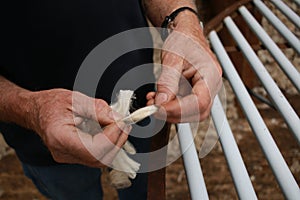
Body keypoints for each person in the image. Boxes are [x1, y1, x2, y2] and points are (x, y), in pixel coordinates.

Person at [0, 0, 222, 199]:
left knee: (141, 189)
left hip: (140, 104)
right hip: (44, 138)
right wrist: (30, 109)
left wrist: (183, 20)